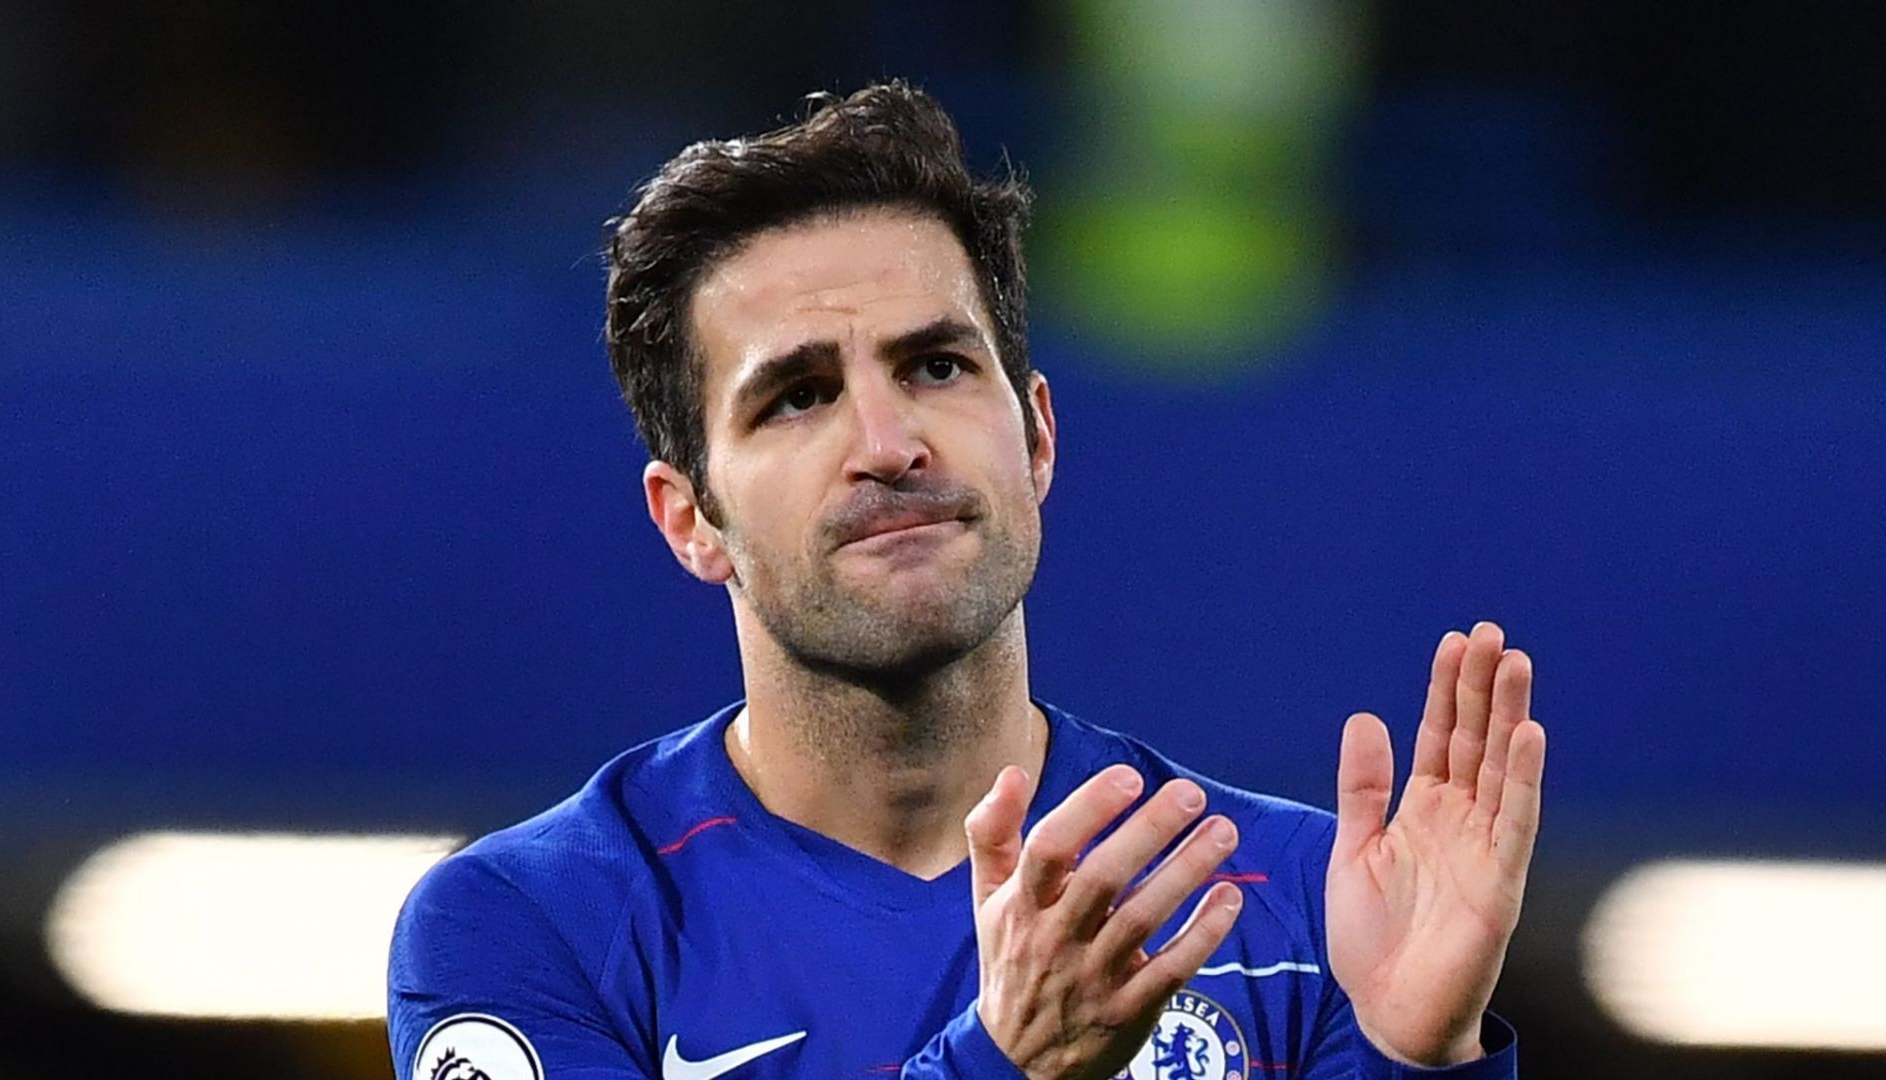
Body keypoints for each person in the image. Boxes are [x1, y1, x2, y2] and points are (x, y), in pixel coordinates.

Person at [386, 80, 1546, 1080]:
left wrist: (1418, 1058)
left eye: (936, 365)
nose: (889, 442)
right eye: (798, 395)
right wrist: (1007, 1060)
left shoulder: (1293, 908)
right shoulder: (538, 926)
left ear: (1037, 440)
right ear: (692, 519)